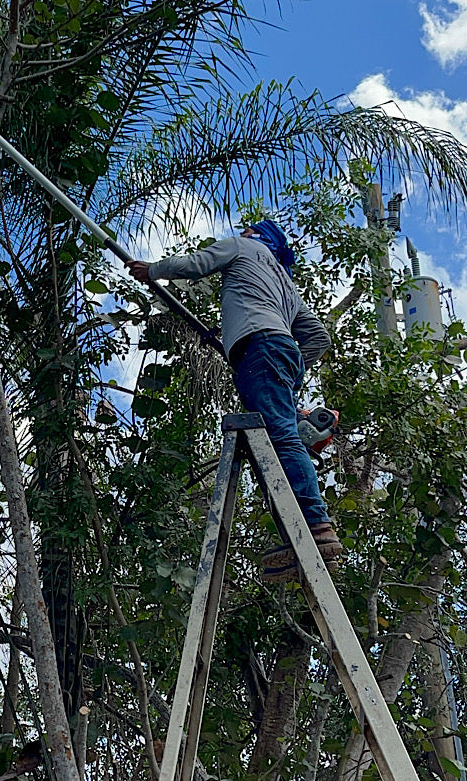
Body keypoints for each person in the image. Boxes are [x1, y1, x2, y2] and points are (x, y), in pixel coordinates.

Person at [126, 220, 342, 582]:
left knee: (281, 438)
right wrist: (288, 365)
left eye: (246, 230)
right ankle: (298, 536)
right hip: (279, 353)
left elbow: (197, 263)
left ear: (256, 236)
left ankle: (317, 526)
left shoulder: (245, 248)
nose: (239, 233)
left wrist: (153, 270)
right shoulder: (284, 284)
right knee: (275, 444)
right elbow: (318, 337)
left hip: (260, 351)